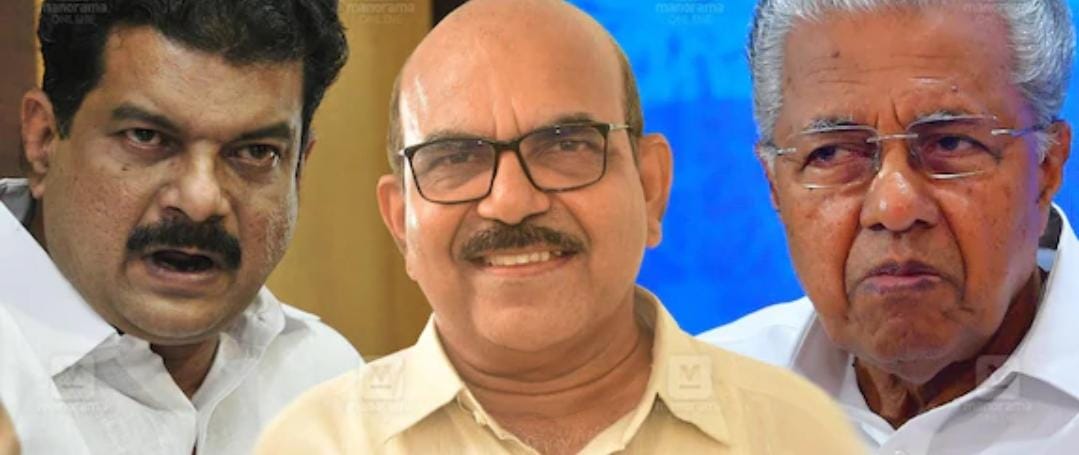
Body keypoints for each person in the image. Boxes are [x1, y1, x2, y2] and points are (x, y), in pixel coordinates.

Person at [255, 1, 864, 453]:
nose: (511, 202)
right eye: (456, 158)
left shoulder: (800, 435)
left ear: (651, 188)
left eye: (565, 145)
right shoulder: (311, 444)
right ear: (402, 225)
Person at [700, 0, 1079, 453]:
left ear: (1047, 168)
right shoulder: (700, 407)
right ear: (775, 186)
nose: (894, 207)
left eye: (950, 143)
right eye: (833, 153)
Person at [1, 1, 362, 453]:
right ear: (43, 141)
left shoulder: (327, 383)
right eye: (147, 137)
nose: (200, 201)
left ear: (298, 171)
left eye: (255, 152)